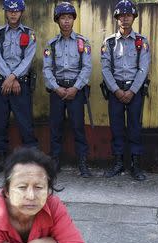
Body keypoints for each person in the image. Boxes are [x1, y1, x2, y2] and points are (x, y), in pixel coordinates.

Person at [101, 0, 150, 181]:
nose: (125, 19)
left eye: (128, 15)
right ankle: (118, 163)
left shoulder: (141, 42)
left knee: (135, 127)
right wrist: (116, 90)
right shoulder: (109, 43)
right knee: (117, 127)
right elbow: (105, 69)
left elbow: (143, 69)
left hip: (134, 91)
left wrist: (132, 91)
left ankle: (136, 166)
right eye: (121, 16)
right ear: (116, 19)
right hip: (115, 91)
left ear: (133, 18)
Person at [42, 2, 93, 178]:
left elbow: (86, 68)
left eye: (69, 18)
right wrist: (56, 88)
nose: (66, 21)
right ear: (57, 20)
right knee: (55, 127)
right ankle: (55, 161)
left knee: (78, 127)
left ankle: (82, 162)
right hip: (57, 91)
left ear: (73, 20)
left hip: (75, 92)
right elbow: (47, 69)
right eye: (63, 18)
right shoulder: (51, 45)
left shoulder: (82, 42)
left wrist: (75, 88)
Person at [0, 0, 39, 175]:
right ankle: (0, 160)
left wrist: (13, 77)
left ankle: (32, 161)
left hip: (21, 85)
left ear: (22, 12)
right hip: (1, 84)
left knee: (26, 124)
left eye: (17, 11)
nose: (13, 14)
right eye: (10, 11)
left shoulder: (29, 34)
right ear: (5, 12)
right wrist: (9, 78)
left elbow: (28, 59)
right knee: (0, 124)